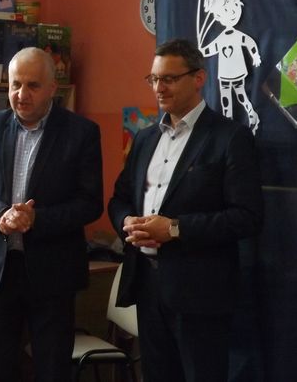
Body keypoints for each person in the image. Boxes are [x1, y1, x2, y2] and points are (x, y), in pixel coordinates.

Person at [108, 38, 263, 382]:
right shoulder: (145, 139)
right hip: (148, 285)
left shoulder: (229, 138)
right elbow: (119, 199)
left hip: (200, 292)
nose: (159, 88)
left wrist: (174, 229)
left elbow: (247, 217)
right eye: (153, 79)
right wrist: (127, 221)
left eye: (169, 79)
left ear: (198, 78)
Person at [0, 47, 103, 382]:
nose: (22, 94)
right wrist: (0, 215)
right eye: (15, 84)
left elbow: (89, 203)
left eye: (33, 86)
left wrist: (37, 219)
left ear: (53, 87)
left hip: (53, 274)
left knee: (52, 371)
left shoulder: (80, 133)